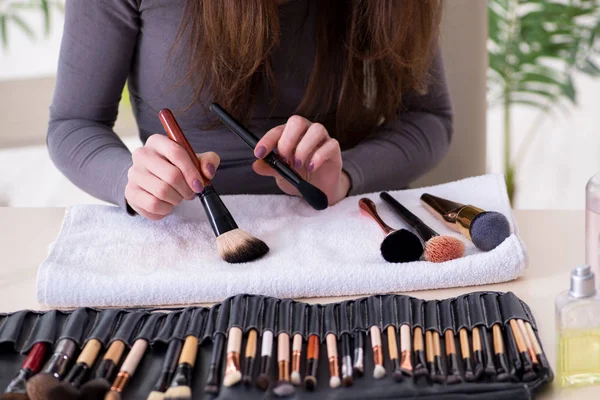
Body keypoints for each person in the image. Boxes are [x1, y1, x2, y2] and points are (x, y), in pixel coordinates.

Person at [48, 0, 452, 220]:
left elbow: (428, 118)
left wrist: (346, 174)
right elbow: (74, 124)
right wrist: (130, 181)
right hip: (184, 231)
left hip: (338, 222)